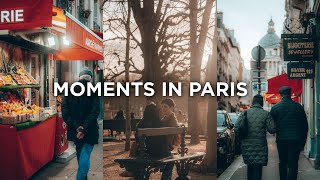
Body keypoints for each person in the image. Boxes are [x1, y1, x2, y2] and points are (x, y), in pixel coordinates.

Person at [62, 69, 100, 180]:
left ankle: (83, 178)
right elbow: (95, 112)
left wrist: (77, 127)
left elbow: (65, 112)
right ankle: (81, 178)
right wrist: (84, 127)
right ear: (90, 79)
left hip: (75, 130)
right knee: (86, 153)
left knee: (80, 152)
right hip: (90, 129)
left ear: (79, 77)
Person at [270, 86, 308, 180]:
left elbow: (272, 126)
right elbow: (305, 126)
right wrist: (302, 143)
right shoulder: (298, 107)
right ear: (290, 93)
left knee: (283, 162)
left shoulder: (275, 108)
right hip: (296, 140)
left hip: (282, 139)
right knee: (293, 164)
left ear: (280, 95)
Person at [235, 94, 275, 180]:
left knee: (250, 166)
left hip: (247, 145)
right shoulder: (265, 114)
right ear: (262, 103)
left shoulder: (245, 113)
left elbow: (236, 127)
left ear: (253, 102)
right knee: (258, 169)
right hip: (260, 145)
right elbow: (272, 129)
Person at [160, 98, 179, 180]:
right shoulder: (165, 118)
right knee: (169, 161)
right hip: (164, 147)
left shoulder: (172, 119)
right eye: (162, 107)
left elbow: (176, 131)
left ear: (171, 108)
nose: (163, 108)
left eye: (165, 107)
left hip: (165, 147)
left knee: (170, 161)